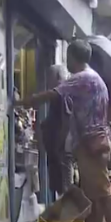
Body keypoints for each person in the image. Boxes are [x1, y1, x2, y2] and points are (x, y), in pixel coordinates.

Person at [18, 40, 111, 222]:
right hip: (97, 142)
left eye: (68, 58)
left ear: (73, 57)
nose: (67, 63)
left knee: (103, 193)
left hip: (91, 145)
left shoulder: (82, 78)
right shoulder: (96, 79)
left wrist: (24, 102)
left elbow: (52, 94)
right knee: (95, 195)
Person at [40, 64, 74, 200]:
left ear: (58, 77)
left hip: (61, 147)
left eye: (50, 77)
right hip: (58, 147)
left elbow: (66, 120)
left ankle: (66, 214)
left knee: (63, 184)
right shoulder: (59, 94)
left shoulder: (61, 93)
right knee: (59, 183)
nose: (48, 81)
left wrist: (60, 145)